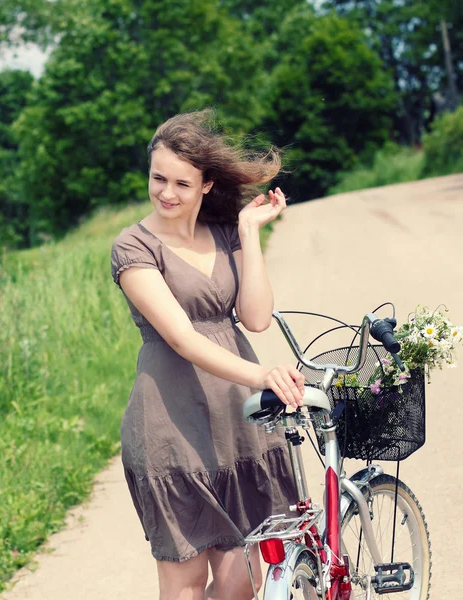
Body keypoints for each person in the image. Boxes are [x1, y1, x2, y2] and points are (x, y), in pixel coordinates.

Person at [110, 109, 305, 600]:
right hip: (172, 427)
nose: (167, 193)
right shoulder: (133, 247)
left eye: (181, 182)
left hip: (236, 424)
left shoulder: (222, 233)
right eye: (158, 178)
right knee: (186, 581)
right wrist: (263, 374)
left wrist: (247, 233)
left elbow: (256, 317)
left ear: (207, 186)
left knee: (244, 580)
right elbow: (182, 338)